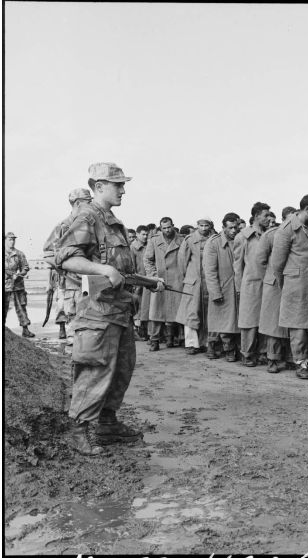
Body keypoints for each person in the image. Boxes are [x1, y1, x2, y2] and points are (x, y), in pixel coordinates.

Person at [53, 162, 150, 456]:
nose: (123, 190)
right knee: (94, 369)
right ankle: (78, 431)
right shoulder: (87, 217)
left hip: (119, 312)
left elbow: (120, 269)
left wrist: (146, 281)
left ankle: (107, 424)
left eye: (123, 185)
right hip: (96, 312)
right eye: (117, 185)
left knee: (121, 370)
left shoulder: (112, 221)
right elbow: (65, 258)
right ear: (98, 187)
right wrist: (102, 268)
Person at [271, 194, 308, 379]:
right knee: (298, 327)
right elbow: (276, 263)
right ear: (307, 209)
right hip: (295, 284)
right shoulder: (286, 229)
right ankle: (301, 364)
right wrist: (287, 284)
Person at [43, 187, 93, 342]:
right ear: (78, 203)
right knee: (72, 317)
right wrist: (66, 266)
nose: (91, 206)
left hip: (90, 281)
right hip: (71, 283)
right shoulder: (63, 226)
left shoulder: (91, 224)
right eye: (88, 202)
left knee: (90, 318)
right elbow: (48, 254)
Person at [255, 206, 297, 373]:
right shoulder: (270, 235)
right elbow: (260, 261)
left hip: (292, 282)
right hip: (274, 285)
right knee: (273, 325)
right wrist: (269, 278)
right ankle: (272, 359)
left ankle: (290, 358)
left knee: (291, 323)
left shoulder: (300, 234)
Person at [234, 202, 272, 367]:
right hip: (249, 284)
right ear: (256, 216)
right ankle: (247, 354)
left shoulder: (269, 234)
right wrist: (239, 288)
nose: (268, 218)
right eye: (265, 215)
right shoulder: (243, 236)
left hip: (268, 283)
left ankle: (263, 353)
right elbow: (237, 266)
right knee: (249, 321)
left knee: (265, 320)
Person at [203, 213, 241, 361]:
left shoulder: (239, 240)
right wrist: (215, 292)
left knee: (231, 321)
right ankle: (214, 347)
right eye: (230, 228)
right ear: (223, 227)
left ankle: (229, 349)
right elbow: (210, 270)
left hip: (235, 287)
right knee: (218, 320)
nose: (233, 230)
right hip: (221, 288)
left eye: (236, 227)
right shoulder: (214, 243)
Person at [144, 217, 185, 351]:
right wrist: (154, 277)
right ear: (160, 228)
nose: (167, 230)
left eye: (169, 227)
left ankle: (171, 338)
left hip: (177, 280)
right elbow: (148, 260)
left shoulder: (182, 240)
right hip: (160, 281)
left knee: (175, 310)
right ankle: (154, 339)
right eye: (164, 228)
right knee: (156, 312)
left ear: (173, 226)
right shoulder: (154, 241)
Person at [176, 217, 214, 354]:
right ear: (197, 226)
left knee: (208, 314)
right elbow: (182, 262)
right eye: (201, 225)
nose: (204, 228)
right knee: (191, 313)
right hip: (193, 282)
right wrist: (190, 277)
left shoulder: (214, 239)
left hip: (208, 282)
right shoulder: (190, 240)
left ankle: (207, 342)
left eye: (206, 225)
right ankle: (192, 344)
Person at [4, 232, 34, 337]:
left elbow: (25, 267)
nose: (12, 241)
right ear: (4, 240)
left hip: (18, 285)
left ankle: (25, 329)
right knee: (3, 307)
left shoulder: (19, 253)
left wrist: (19, 274)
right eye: (9, 239)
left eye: (13, 239)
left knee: (21, 307)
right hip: (4, 285)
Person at [130, 225, 150, 340]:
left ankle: (146, 331)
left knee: (146, 307)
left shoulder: (149, 245)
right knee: (137, 307)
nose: (145, 236)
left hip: (148, 279)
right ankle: (139, 331)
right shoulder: (133, 247)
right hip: (138, 280)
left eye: (146, 234)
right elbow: (132, 265)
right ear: (137, 235)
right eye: (143, 234)